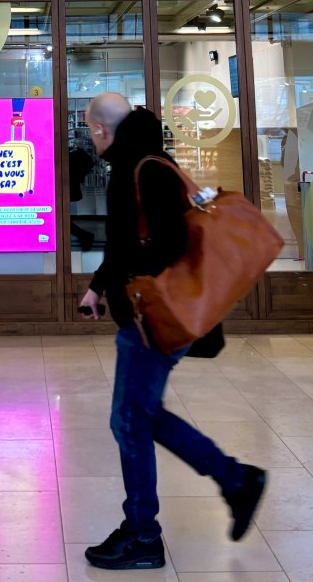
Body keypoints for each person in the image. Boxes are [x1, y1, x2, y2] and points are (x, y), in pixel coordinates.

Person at [79, 92, 266, 571]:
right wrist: (100, 287)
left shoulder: (140, 168)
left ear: (101, 130)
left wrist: (129, 283)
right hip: (148, 311)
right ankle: (232, 482)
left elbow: (167, 241)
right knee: (138, 417)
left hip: (153, 315)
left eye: (90, 130)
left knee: (129, 420)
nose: (90, 138)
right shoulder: (147, 160)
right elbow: (128, 240)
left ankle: (147, 533)